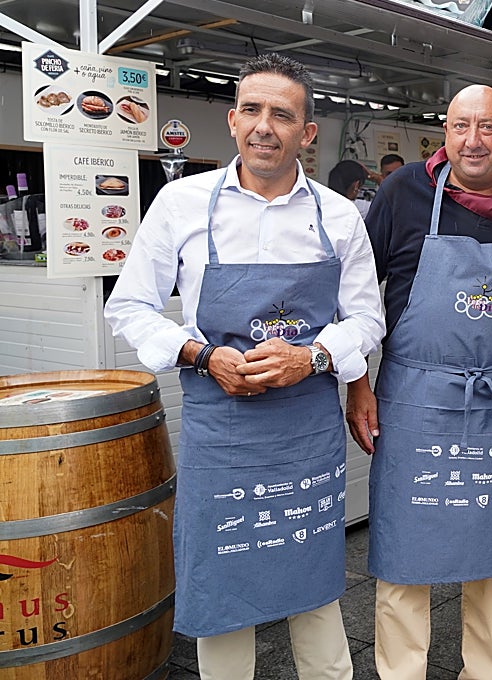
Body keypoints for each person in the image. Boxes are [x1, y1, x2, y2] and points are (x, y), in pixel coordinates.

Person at [105, 53, 385, 680]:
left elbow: (367, 318)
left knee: (311, 577)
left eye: (282, 115)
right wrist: (201, 354)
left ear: (306, 134)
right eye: (252, 111)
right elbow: (129, 306)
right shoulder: (180, 203)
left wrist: (310, 356)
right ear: (232, 121)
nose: (265, 126)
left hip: (305, 429)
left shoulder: (339, 217)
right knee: (223, 582)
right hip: (220, 424)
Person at [352, 84, 492, 680]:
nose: (473, 140)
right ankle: (401, 670)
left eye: (488, 128)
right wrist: (358, 383)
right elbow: (361, 297)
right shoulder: (403, 192)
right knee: (403, 541)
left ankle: (483, 667)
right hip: (413, 393)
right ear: (444, 132)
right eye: (461, 126)